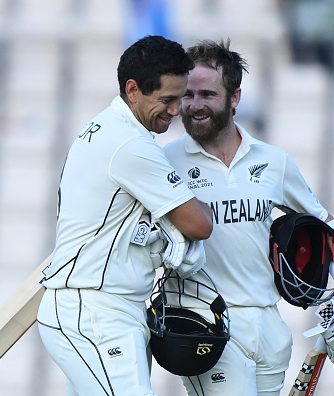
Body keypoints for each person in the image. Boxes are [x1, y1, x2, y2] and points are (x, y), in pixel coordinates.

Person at [163, 39, 334, 395]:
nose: (195, 106)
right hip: (208, 326)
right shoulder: (165, 161)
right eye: (188, 94)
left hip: (268, 328)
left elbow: (326, 226)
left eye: (208, 95)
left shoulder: (273, 162)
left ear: (235, 98)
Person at [36, 35, 213, 396]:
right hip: (95, 311)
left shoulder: (107, 128)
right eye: (166, 99)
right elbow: (200, 224)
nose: (176, 110)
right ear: (133, 90)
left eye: (179, 98)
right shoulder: (129, 144)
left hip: (100, 307)